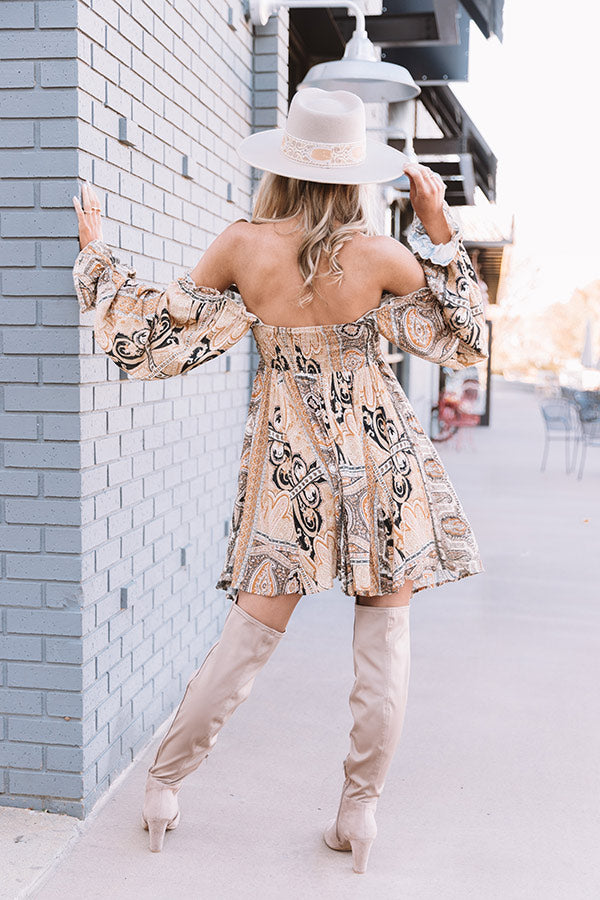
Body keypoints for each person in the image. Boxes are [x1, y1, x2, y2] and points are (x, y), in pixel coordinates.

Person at [72, 87, 488, 874]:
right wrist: (438, 227)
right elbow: (462, 337)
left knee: (246, 641)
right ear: (352, 175)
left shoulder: (243, 245)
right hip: (382, 465)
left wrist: (98, 257)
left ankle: (163, 788)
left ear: (285, 167)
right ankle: (359, 813)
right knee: (385, 646)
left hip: (289, 473)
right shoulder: (379, 256)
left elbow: (160, 333)